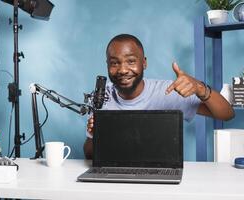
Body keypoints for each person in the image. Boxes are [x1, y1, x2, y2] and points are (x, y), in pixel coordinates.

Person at [83, 34, 234, 159]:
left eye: (131, 61)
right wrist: (93, 135)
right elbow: (89, 154)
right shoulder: (101, 96)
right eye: (114, 63)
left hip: (160, 173)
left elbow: (227, 113)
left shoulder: (168, 92)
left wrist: (200, 88)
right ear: (107, 65)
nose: (122, 70)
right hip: (115, 176)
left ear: (144, 63)